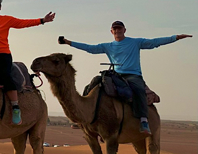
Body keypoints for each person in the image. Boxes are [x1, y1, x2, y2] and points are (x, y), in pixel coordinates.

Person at [59, 21, 191, 135]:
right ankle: (81, 117)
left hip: (133, 75)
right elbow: (89, 48)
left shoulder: (135, 42)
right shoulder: (108, 46)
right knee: (92, 84)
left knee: (138, 89)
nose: (117, 31)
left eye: (119, 28)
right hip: (115, 74)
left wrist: (176, 37)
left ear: (124, 30)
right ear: (111, 31)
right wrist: (68, 42)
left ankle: (143, 121)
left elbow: (154, 42)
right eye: (115, 29)